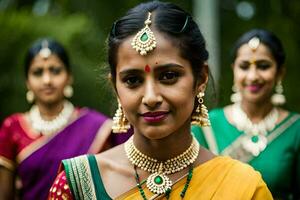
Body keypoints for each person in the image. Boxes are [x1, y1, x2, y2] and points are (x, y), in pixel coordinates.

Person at [49, 2, 273, 199]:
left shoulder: (244, 188)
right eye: (132, 80)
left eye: (168, 76)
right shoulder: (77, 185)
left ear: (201, 79)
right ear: (115, 86)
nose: (151, 97)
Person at [0, 38, 131, 200]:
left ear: (69, 77)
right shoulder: (13, 127)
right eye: (38, 72)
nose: (47, 80)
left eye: (55, 71)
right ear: (27, 81)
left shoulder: (98, 127)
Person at [192, 28, 300, 199]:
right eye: (244, 66)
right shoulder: (205, 126)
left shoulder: (295, 129)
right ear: (234, 70)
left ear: (280, 73)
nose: (252, 76)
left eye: (263, 66)